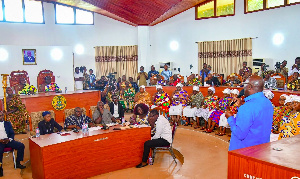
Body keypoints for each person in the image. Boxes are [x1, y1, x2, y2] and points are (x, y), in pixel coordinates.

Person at [225, 75, 273, 151]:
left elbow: (240, 134)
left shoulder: (247, 107)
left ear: (249, 87)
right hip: (262, 149)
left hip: (244, 151)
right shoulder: (268, 103)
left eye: (244, 85)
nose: (243, 88)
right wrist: (241, 106)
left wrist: (230, 118)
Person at [0, 111, 26, 177]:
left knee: (21, 146)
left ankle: (18, 163)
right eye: (0, 116)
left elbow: (12, 133)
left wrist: (9, 139)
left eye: (2, 115)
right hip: (0, 142)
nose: (1, 117)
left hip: (8, 140)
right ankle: (0, 169)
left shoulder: (7, 123)